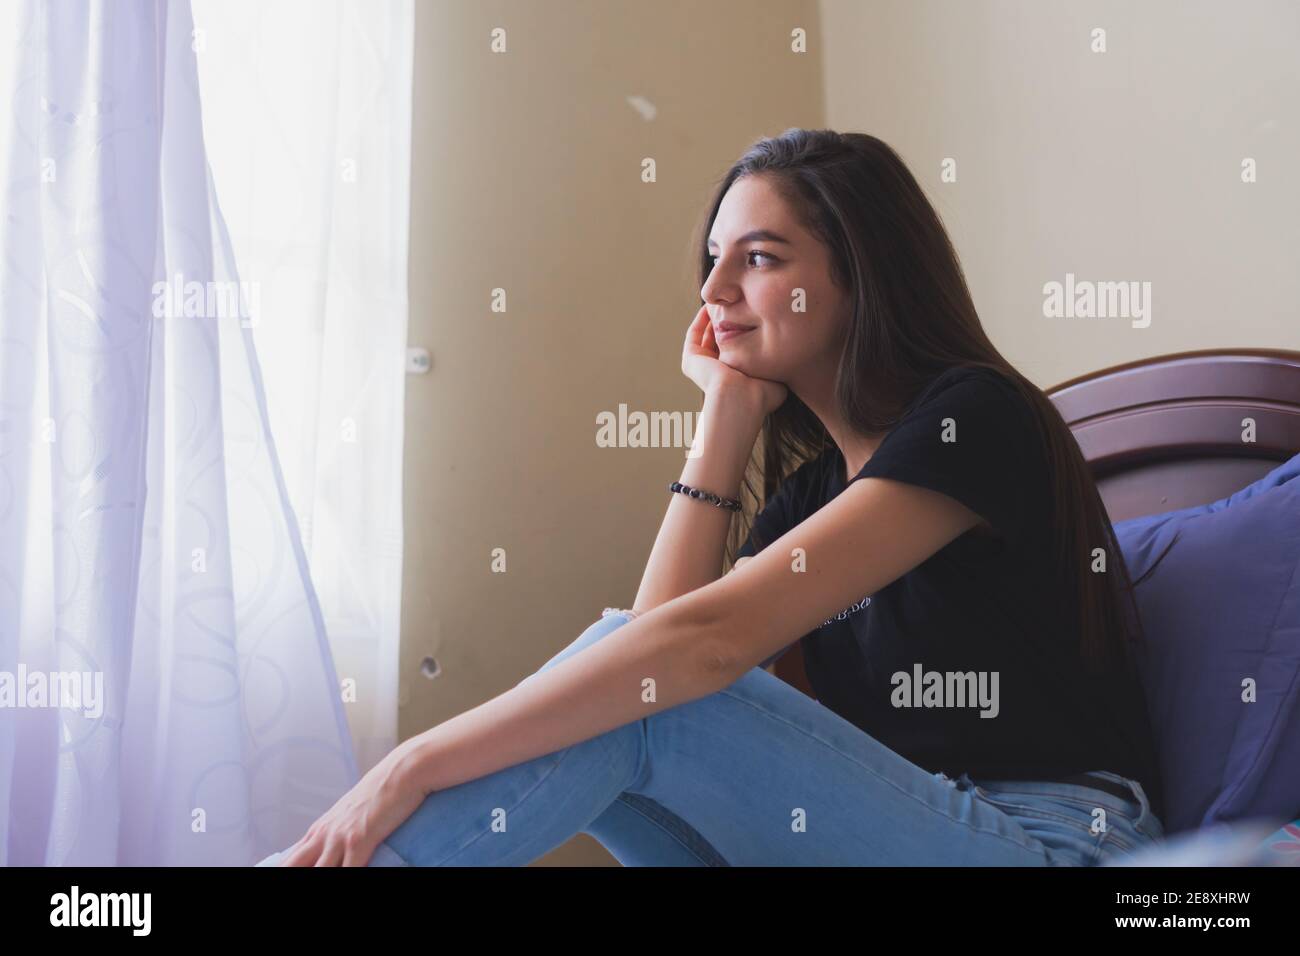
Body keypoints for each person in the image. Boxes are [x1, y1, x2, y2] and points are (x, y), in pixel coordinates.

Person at [258, 128, 1167, 867]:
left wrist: (411, 764)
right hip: (907, 831)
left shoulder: (978, 419)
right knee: (632, 692)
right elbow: (639, 680)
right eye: (712, 259)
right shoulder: (812, 492)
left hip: (1054, 843)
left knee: (644, 683)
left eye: (760, 258)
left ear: (862, 275)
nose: (714, 290)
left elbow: (671, 661)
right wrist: (724, 417)